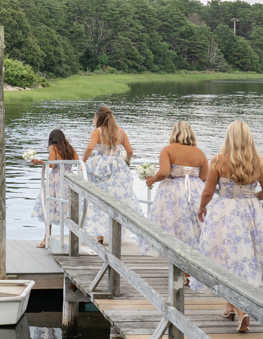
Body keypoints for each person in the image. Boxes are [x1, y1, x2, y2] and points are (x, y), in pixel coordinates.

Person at [195, 120, 263, 332]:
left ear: (228, 137)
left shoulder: (219, 160)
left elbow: (208, 191)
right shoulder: (259, 161)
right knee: (244, 255)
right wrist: (250, 196)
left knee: (226, 256)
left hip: (225, 212)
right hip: (251, 213)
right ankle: (230, 306)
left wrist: (202, 207)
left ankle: (241, 310)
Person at [141, 122, 208, 255]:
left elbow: (164, 173)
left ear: (174, 133)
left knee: (174, 225)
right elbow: (204, 176)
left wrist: (152, 179)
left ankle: (176, 260)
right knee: (196, 226)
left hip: (173, 192)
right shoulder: (200, 153)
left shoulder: (168, 150)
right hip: (195, 192)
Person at [82, 105, 141, 242]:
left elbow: (90, 147)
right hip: (118, 167)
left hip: (101, 166)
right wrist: (127, 160)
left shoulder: (97, 131)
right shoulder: (120, 132)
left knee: (98, 198)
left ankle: (100, 234)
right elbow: (130, 151)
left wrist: (83, 162)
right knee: (118, 199)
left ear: (99, 117)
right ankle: (116, 233)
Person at [31, 129, 80, 248]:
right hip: (68, 178)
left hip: (56, 179)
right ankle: (74, 239)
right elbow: (77, 161)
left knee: (49, 207)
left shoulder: (53, 147)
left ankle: (46, 238)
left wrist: (39, 161)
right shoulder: (70, 147)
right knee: (69, 208)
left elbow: (52, 164)